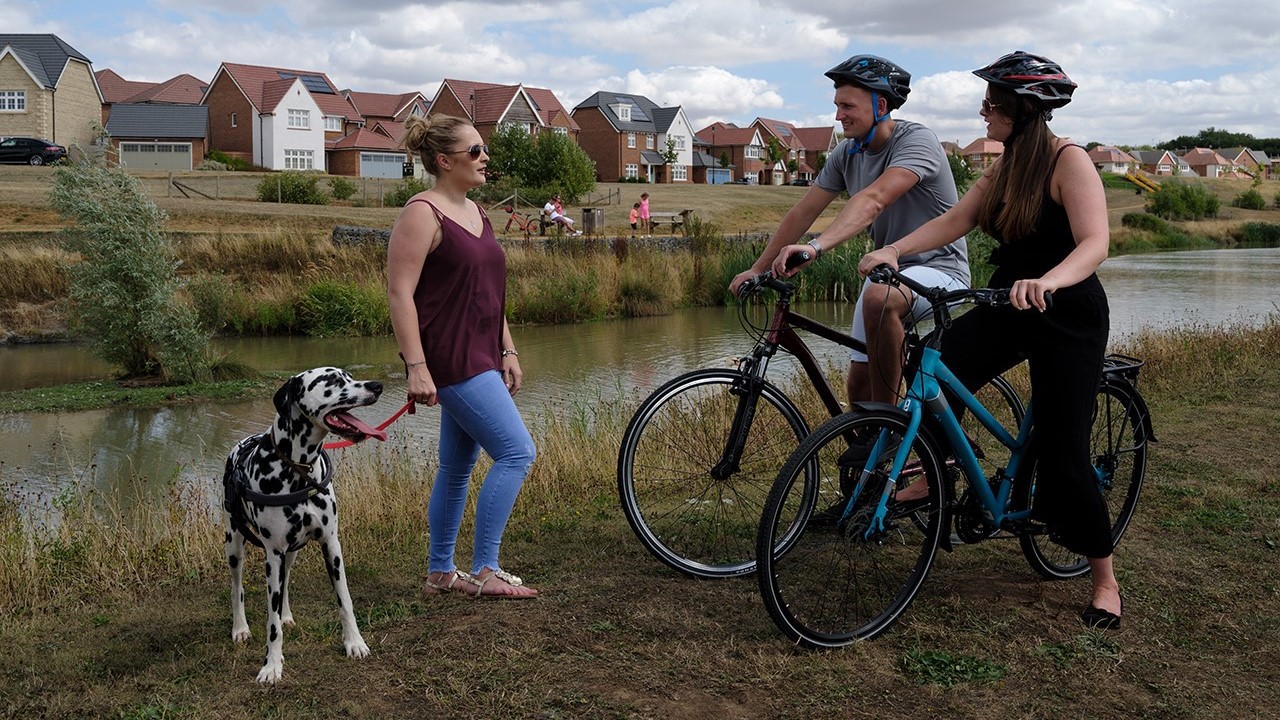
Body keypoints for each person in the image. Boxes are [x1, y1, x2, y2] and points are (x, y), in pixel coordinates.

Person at [856, 51, 1119, 628]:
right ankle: (940, 468)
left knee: (1065, 453)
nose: (984, 111)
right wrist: (895, 250)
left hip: (1066, 310)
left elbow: (1095, 243)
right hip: (1009, 301)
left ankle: (1104, 580)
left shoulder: (1069, 160)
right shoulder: (1005, 167)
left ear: (1023, 110)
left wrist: (1049, 281)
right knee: (936, 367)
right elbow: (955, 221)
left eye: (993, 103)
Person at [729, 54, 969, 407]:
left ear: (880, 106)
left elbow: (874, 199)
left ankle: (887, 425)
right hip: (887, 273)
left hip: (940, 270)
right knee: (858, 388)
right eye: (837, 105)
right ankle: (877, 436)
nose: (839, 115)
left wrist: (815, 247)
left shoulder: (917, 141)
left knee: (878, 298)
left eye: (847, 106)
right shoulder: (847, 153)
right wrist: (757, 268)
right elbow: (803, 212)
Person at [386, 114, 539, 599]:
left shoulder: (478, 212)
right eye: (475, 150)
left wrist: (507, 348)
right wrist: (416, 367)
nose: (484, 157)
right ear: (444, 160)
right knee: (517, 452)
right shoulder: (421, 214)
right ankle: (487, 568)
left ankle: (440, 573)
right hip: (451, 358)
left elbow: (489, 290)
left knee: (456, 468)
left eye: (483, 148)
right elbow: (399, 294)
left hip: (483, 353)